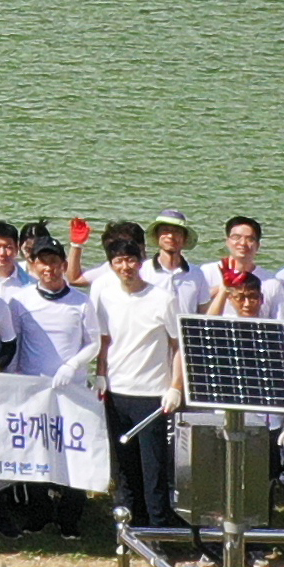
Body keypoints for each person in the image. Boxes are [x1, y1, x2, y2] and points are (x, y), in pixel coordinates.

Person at [95, 226, 187, 537]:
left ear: (141, 260)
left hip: (152, 397)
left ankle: (159, 532)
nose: (125, 267)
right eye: (119, 261)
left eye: (131, 260)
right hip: (117, 393)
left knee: (154, 470)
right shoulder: (105, 298)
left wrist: (175, 387)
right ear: (111, 265)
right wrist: (100, 374)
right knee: (125, 469)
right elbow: (105, 343)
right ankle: (129, 530)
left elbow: (178, 346)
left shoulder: (162, 298)